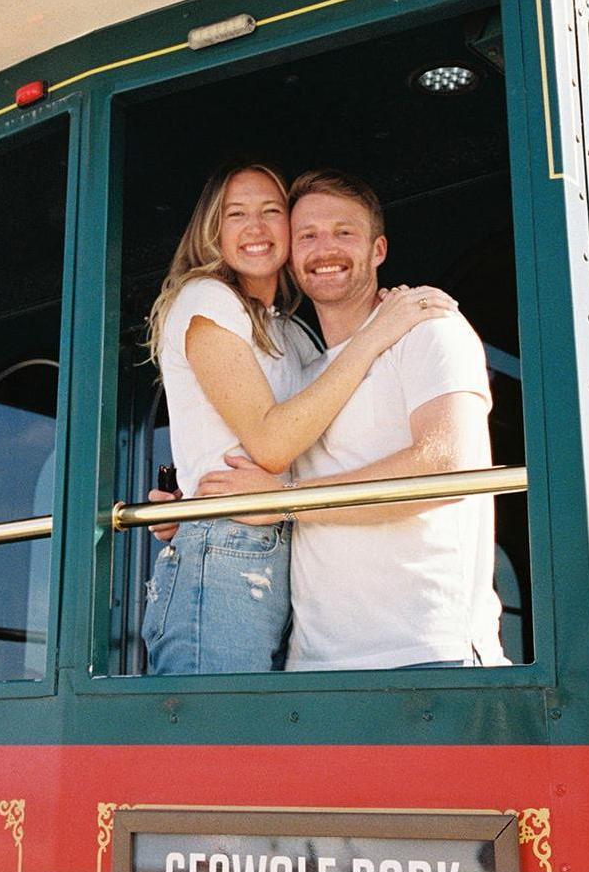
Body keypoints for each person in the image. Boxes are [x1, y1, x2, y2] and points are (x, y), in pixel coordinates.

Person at [142, 161, 455, 675]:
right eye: (235, 214)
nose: (257, 228)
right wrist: (377, 333)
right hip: (225, 551)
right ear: (211, 231)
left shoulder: (287, 332)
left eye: (272, 212)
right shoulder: (207, 300)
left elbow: (307, 444)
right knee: (214, 747)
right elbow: (269, 444)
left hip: (280, 555)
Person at [196, 169, 508, 671]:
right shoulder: (306, 375)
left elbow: (447, 468)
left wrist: (286, 503)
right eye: (308, 236)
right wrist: (184, 513)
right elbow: (263, 487)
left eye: (345, 232)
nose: (326, 249)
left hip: (427, 655)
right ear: (292, 259)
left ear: (378, 249)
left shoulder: (430, 329)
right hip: (312, 669)